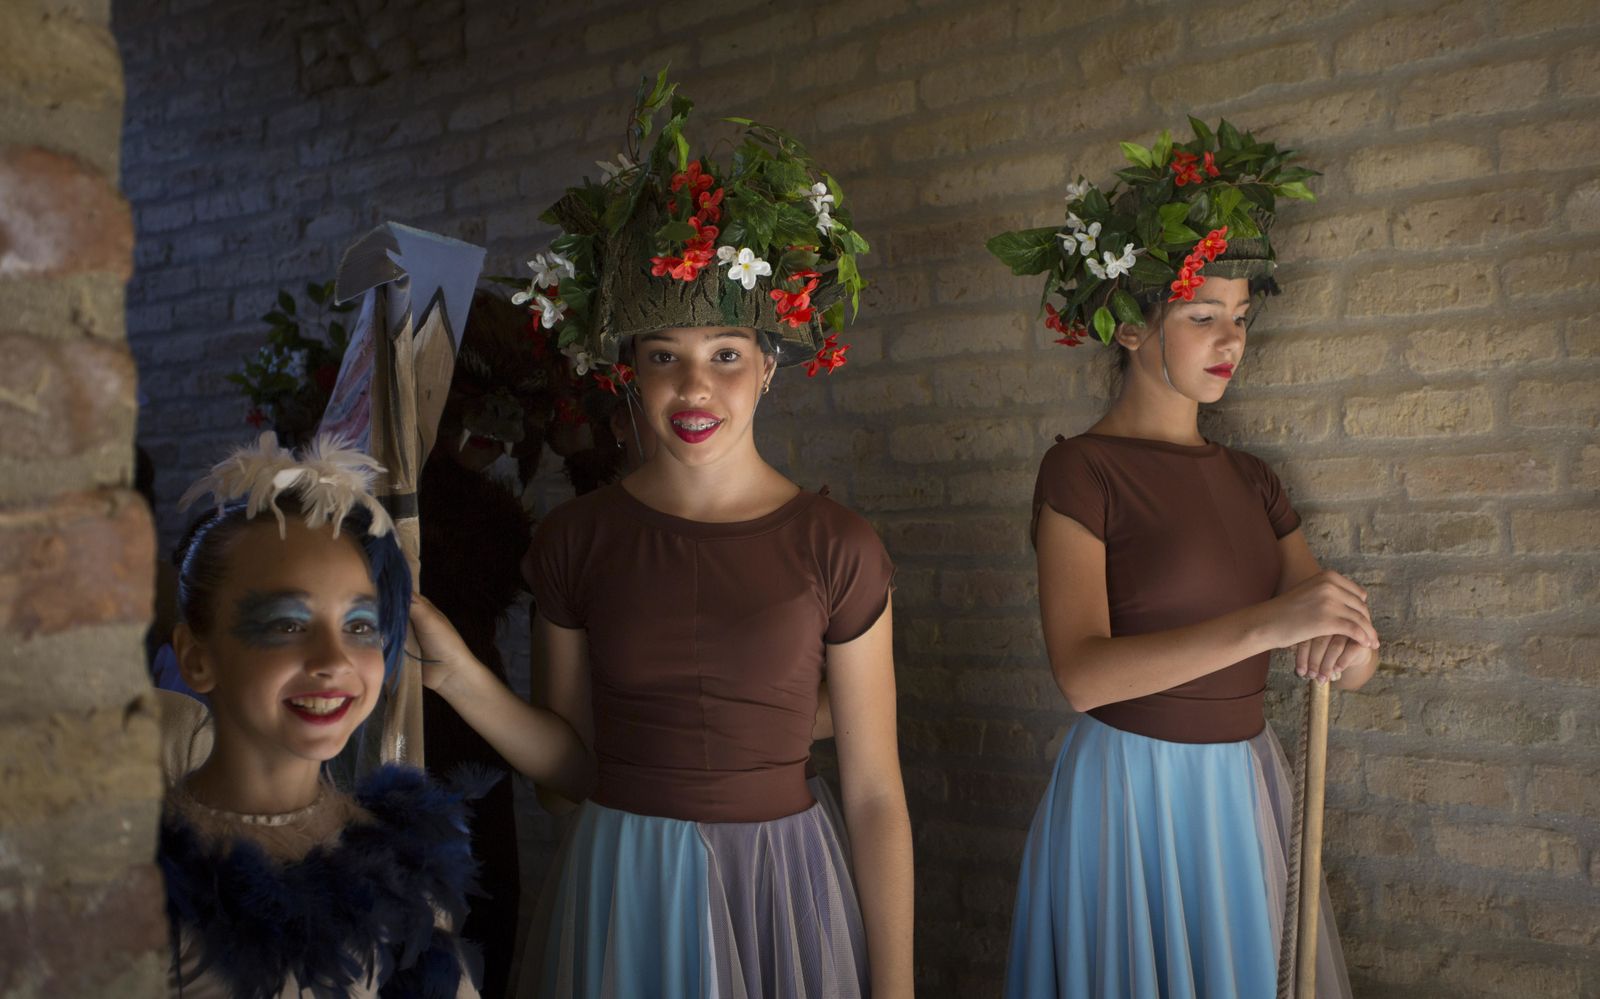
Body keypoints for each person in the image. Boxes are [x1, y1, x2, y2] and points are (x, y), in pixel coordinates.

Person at [425, 74, 912, 998]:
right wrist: (456, 676)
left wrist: (896, 990)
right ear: (627, 376)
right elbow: (569, 775)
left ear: (771, 366)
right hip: (625, 890)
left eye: (726, 355)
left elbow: (877, 791)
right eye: (665, 360)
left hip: (785, 887)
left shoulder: (837, 544)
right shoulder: (576, 539)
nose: (696, 389)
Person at [990, 119, 1374, 998]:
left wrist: (1348, 644)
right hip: (1129, 795)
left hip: (1239, 793)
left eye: (1240, 318)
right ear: (1129, 326)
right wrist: (1275, 622)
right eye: (1203, 317)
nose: (1230, 341)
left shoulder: (1252, 478)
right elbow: (1082, 675)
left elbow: (1343, 657)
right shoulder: (1080, 470)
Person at [155, 433, 585, 998]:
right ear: (196, 657)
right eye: (287, 623)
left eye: (359, 626)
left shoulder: (403, 869)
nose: (333, 661)